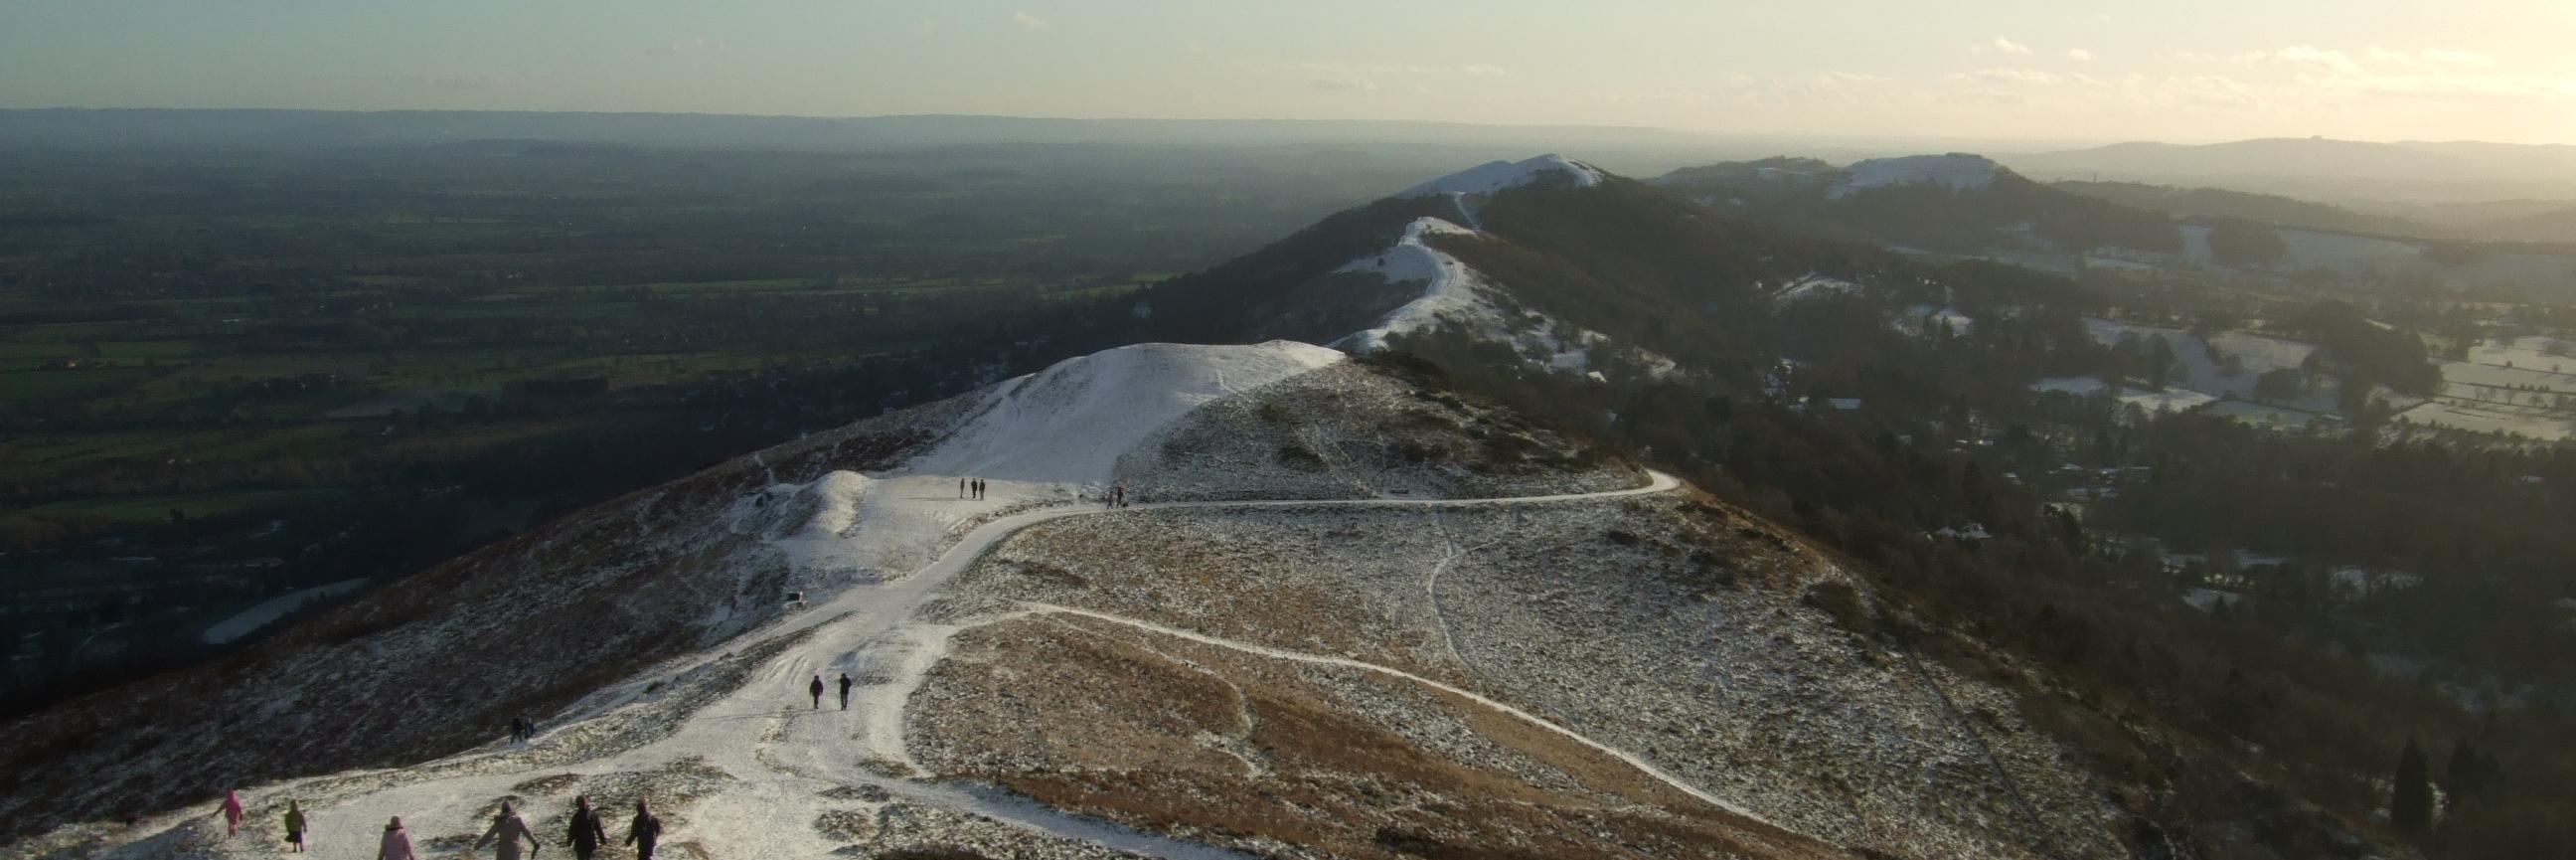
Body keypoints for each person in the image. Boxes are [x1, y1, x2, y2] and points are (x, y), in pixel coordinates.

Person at [474, 800, 541, 860]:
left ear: (502, 811)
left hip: (502, 850)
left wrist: (477, 846)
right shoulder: (517, 820)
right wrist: (535, 842)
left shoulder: (499, 822)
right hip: (514, 849)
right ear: (511, 810)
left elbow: (488, 836)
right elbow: (527, 833)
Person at [565, 795, 608, 860]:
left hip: (580, 845)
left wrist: (569, 841)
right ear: (587, 803)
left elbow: (572, 831)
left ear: (577, 805)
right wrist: (603, 840)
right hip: (591, 844)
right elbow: (599, 829)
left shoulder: (576, 817)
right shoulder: (594, 815)